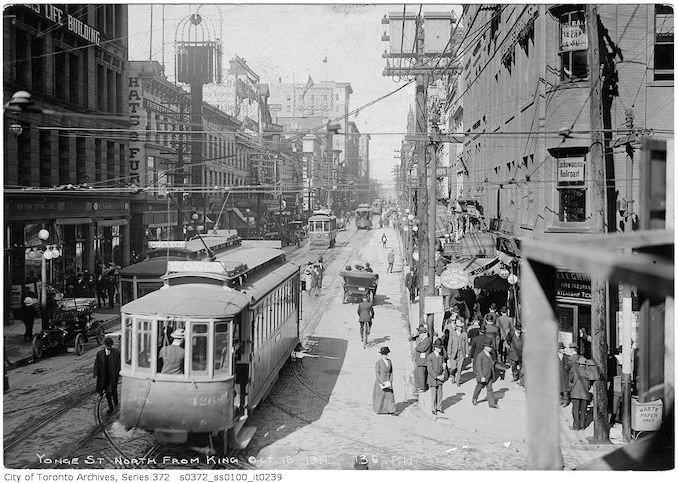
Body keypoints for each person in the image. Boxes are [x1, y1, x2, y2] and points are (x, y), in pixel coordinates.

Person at [93, 337, 121, 414]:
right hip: (104, 377)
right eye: (107, 345)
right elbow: (97, 364)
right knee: (107, 394)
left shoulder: (116, 353)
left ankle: (116, 406)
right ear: (105, 345)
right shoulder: (100, 354)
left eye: (110, 345)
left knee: (114, 392)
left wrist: (118, 373)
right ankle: (111, 408)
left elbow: (119, 364)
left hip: (113, 376)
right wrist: (95, 374)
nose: (109, 347)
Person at [473, 340, 498, 408]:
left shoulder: (490, 355)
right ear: (485, 347)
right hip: (483, 376)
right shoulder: (480, 355)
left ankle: (491, 404)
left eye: (491, 347)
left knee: (490, 389)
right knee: (479, 387)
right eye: (489, 347)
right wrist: (481, 376)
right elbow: (478, 366)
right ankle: (474, 398)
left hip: (489, 375)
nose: (491, 348)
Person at [569, 355, 592, 431]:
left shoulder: (575, 370)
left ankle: (576, 426)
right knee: (583, 410)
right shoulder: (588, 372)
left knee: (575, 410)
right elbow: (589, 384)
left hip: (575, 393)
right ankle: (582, 426)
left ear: (579, 363)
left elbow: (571, 380)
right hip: (585, 393)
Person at [372, 347, 396, 415]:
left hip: (388, 381)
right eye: (383, 354)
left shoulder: (389, 361)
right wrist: (381, 382)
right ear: (381, 354)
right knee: (381, 396)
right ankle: (380, 410)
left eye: (385, 354)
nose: (384, 355)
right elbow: (377, 373)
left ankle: (392, 410)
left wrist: (391, 380)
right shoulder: (378, 362)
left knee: (390, 396)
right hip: (381, 382)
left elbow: (391, 371)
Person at [426, 339, 447, 415]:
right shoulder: (430, 357)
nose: (440, 349)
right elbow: (430, 369)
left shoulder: (441, 357)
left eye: (441, 348)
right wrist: (437, 376)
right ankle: (433, 408)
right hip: (433, 378)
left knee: (440, 393)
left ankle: (439, 407)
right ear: (435, 348)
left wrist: (443, 374)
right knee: (434, 394)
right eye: (439, 348)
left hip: (440, 377)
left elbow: (444, 367)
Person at [447, 319, 468, 386]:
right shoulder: (452, 333)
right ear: (456, 327)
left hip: (461, 353)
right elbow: (450, 343)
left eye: (461, 327)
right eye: (459, 326)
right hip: (453, 353)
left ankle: (458, 381)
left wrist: (467, 352)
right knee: (453, 368)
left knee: (459, 368)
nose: (460, 328)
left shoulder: (464, 334)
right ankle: (453, 376)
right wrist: (449, 352)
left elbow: (467, 344)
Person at [413, 326, 430, 392]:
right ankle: (419, 387)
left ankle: (422, 387)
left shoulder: (427, 340)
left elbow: (422, 349)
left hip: (423, 361)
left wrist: (416, 347)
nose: (419, 335)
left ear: (423, 334)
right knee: (417, 373)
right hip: (420, 361)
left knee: (421, 375)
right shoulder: (423, 340)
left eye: (420, 334)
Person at [558, 342, 571, 407]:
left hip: (565, 375)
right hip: (558, 375)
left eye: (563, 348)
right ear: (558, 349)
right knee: (559, 389)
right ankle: (560, 400)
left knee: (566, 389)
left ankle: (566, 401)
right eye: (562, 349)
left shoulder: (566, 357)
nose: (563, 350)